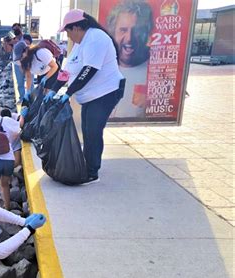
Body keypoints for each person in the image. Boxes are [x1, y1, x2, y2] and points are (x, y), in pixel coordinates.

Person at [45, 9, 125, 184]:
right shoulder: (80, 44)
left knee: (92, 131)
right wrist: (53, 89)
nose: (68, 35)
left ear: (77, 27)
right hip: (90, 96)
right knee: (88, 130)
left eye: (68, 31)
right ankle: (87, 164)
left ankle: (91, 171)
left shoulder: (96, 38)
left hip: (106, 92)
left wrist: (68, 93)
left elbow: (89, 70)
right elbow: (66, 71)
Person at [106, 0, 153, 119]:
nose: (129, 38)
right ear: (113, 32)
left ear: (146, 33)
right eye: (123, 30)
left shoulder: (156, 69)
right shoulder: (102, 65)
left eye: (137, 30)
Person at [9, 25, 28, 102]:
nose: (15, 30)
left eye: (17, 29)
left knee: (29, 81)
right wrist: (11, 42)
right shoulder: (13, 38)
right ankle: (22, 98)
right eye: (14, 29)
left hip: (26, 63)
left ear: (20, 29)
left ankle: (31, 98)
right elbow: (8, 47)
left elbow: (29, 46)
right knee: (20, 82)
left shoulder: (26, 37)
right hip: (17, 64)